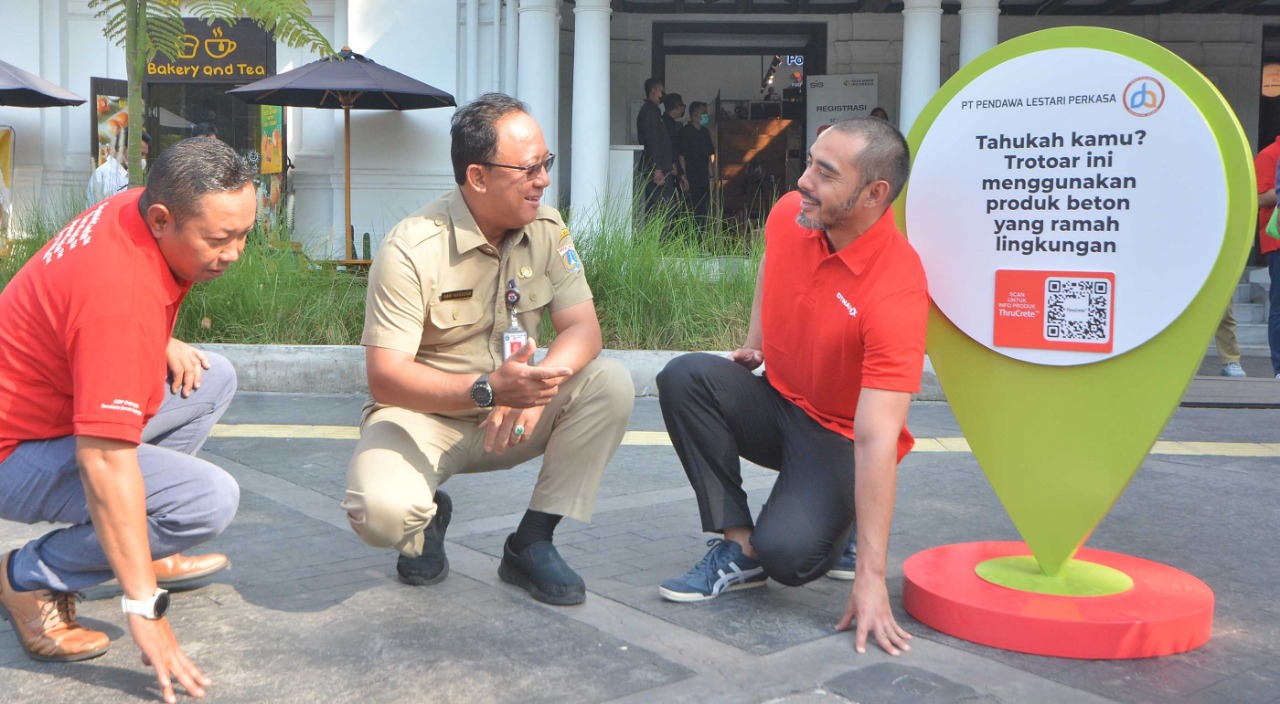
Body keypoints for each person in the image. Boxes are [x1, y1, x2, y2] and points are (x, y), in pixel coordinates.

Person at [343, 93, 634, 607]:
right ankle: (425, 520)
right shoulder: (410, 246)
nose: (542, 179)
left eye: (545, 164)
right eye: (527, 169)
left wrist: (540, 387)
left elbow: (583, 330)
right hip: (425, 416)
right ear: (477, 177)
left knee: (609, 383)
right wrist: (485, 389)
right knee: (380, 512)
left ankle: (531, 542)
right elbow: (385, 377)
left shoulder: (547, 228)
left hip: (515, 411)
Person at [656, 117, 925, 657]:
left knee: (791, 557)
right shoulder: (792, 215)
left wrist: (872, 577)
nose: (803, 181)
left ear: (873, 195)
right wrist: (755, 340)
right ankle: (738, 551)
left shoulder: (897, 286)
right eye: (810, 163)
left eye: (825, 174)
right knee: (685, 377)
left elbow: (877, 438)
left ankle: (840, 530)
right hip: (779, 401)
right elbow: (769, 266)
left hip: (839, 438)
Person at [0, 137, 253, 701]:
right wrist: (144, 607)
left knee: (212, 378)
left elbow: (77, 303)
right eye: (220, 239)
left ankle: (147, 542)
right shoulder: (119, 303)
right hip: (13, 450)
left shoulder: (134, 205)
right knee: (205, 501)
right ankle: (27, 576)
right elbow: (104, 461)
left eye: (243, 234)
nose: (234, 253)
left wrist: (160, 339)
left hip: (48, 403)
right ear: (162, 219)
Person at [637, 78, 674, 214]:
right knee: (660, 207)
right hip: (656, 168)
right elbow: (652, 141)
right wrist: (657, 168)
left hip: (660, 166)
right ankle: (658, 235)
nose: (663, 94)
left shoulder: (653, 111)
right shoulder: (649, 112)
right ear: (653, 91)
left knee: (662, 206)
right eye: (661, 91)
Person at [88, 130, 150, 206]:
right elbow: (110, 211)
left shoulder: (124, 174)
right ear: (123, 150)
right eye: (141, 154)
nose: (143, 159)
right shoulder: (107, 175)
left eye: (145, 155)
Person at [677, 101, 716, 221]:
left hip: (703, 179)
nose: (706, 115)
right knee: (690, 212)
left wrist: (711, 176)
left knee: (703, 212)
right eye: (703, 112)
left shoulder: (705, 133)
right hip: (690, 178)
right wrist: (684, 178)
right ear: (694, 114)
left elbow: (709, 156)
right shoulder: (685, 132)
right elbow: (681, 156)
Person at [662, 93, 687, 198]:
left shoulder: (665, 122)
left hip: (668, 167)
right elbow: (672, 149)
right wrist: (679, 171)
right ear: (676, 107)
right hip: (669, 168)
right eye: (682, 106)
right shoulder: (668, 125)